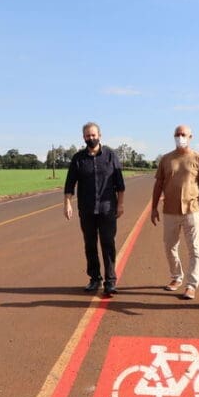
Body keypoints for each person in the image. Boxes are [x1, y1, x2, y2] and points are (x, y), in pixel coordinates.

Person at [64, 122, 126, 296]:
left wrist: (120, 204)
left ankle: (110, 282)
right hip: (87, 209)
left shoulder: (110, 155)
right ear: (83, 137)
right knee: (90, 244)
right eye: (87, 135)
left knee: (108, 244)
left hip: (108, 209)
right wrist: (67, 203)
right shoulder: (78, 159)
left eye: (93, 135)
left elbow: (119, 183)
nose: (90, 138)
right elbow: (70, 183)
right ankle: (94, 278)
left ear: (100, 135)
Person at [151, 125, 199, 300]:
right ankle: (176, 276)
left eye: (183, 134)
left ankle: (191, 285)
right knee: (169, 247)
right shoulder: (166, 159)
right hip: (169, 210)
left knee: (194, 249)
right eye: (177, 134)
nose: (180, 137)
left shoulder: (198, 158)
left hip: (191, 210)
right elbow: (158, 184)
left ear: (190, 136)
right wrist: (154, 207)